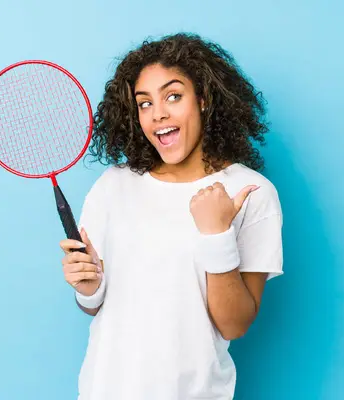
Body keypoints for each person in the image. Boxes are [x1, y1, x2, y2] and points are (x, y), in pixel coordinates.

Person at [59, 32, 284, 400]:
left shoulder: (250, 191)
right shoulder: (113, 186)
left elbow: (234, 324)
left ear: (204, 100)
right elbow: (96, 304)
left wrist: (217, 235)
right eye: (144, 103)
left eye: (173, 96)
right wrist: (88, 288)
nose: (158, 113)